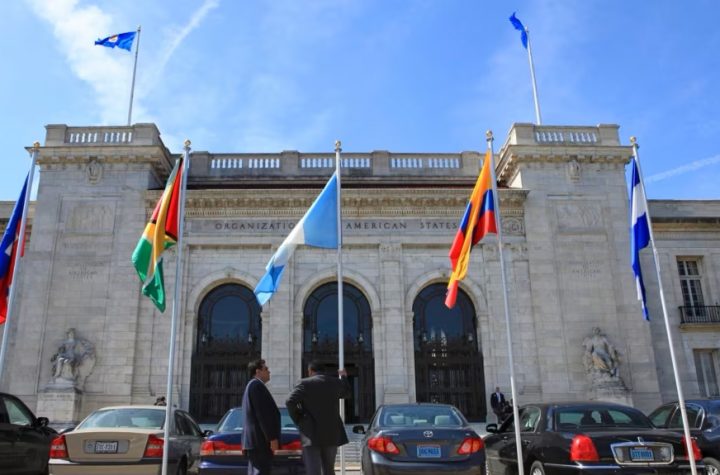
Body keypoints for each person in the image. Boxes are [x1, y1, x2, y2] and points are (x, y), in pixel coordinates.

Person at [286, 361, 351, 475]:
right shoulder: (335, 382)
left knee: (313, 470)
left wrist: (299, 418)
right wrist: (344, 377)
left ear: (310, 371)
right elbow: (346, 393)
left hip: (311, 434)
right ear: (324, 371)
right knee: (329, 469)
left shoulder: (305, 383)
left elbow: (290, 401)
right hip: (331, 433)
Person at [241, 359, 280, 475]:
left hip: (255, 442)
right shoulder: (257, 386)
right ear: (258, 372)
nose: (269, 372)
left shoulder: (252, 386)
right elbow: (263, 415)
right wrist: (272, 438)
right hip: (260, 442)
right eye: (266, 369)